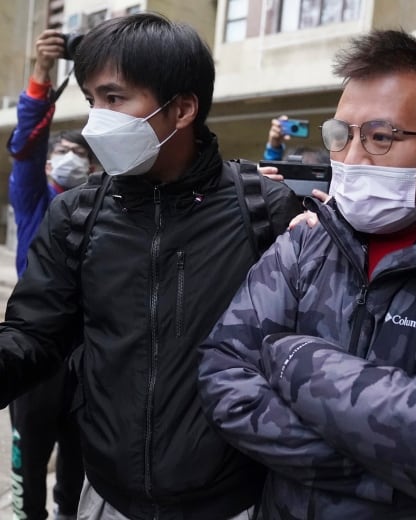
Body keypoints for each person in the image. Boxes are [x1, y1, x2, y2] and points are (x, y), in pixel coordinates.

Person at [198, 29, 416, 519]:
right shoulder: (309, 239)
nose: (352, 158)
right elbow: (222, 371)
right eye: (341, 136)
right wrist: (380, 471)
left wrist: (291, 355)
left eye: (381, 137)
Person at [0, 12, 300, 520]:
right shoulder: (77, 214)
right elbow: (34, 336)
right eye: (92, 101)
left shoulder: (263, 212)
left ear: (182, 108)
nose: (97, 119)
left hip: (235, 502)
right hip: (108, 498)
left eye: (114, 99)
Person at [6, 29, 94, 520]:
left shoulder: (107, 203)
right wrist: (42, 74)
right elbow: (27, 144)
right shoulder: (34, 200)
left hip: (89, 355)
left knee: (78, 465)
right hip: (37, 354)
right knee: (30, 460)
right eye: (62, 149)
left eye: (80, 152)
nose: (69, 157)